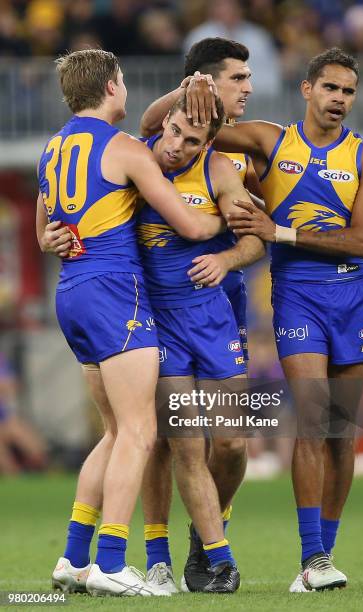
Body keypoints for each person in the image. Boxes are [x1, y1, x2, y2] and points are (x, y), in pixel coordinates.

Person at [36, 48, 224, 598]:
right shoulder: (121, 148)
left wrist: (51, 240)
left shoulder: (52, 148)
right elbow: (188, 225)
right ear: (114, 86)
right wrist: (231, 216)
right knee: (141, 431)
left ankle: (74, 559)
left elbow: (46, 232)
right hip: (114, 291)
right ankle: (113, 563)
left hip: (70, 291)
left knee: (117, 431)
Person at [210, 47, 363, 591]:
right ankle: (312, 560)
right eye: (330, 88)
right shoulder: (270, 140)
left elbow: (361, 241)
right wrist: (194, 89)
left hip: (354, 296)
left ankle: (323, 559)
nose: (339, 100)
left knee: (341, 433)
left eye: (349, 92)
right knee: (314, 421)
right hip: (298, 298)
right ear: (306, 89)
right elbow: (166, 128)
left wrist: (278, 233)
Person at [139, 37, 262, 591]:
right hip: (157, 320)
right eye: (174, 133)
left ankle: (205, 531)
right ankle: (197, 555)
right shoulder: (138, 154)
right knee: (178, 440)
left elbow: (256, 238)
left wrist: (227, 256)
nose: (177, 147)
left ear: (208, 141)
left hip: (212, 316)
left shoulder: (218, 170)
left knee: (233, 442)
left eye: (192, 139)